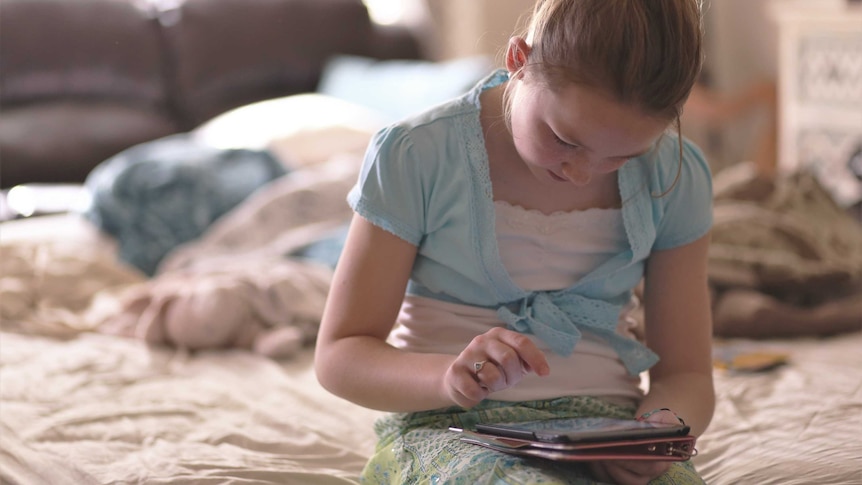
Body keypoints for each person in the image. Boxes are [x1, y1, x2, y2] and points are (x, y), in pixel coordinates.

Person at [315, 0, 714, 483]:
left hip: (607, 433)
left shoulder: (677, 174)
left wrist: (658, 432)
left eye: (624, 156)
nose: (580, 172)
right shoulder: (415, 155)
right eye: (565, 139)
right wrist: (448, 377)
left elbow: (687, 373)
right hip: (449, 427)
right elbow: (340, 354)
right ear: (519, 61)